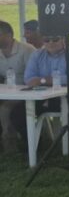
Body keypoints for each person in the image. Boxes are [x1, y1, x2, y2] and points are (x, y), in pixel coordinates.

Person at [0, 20, 35, 153]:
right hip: (6, 90)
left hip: (26, 91)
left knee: (5, 109)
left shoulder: (27, 50)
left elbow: (34, 75)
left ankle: (10, 143)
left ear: (9, 34)